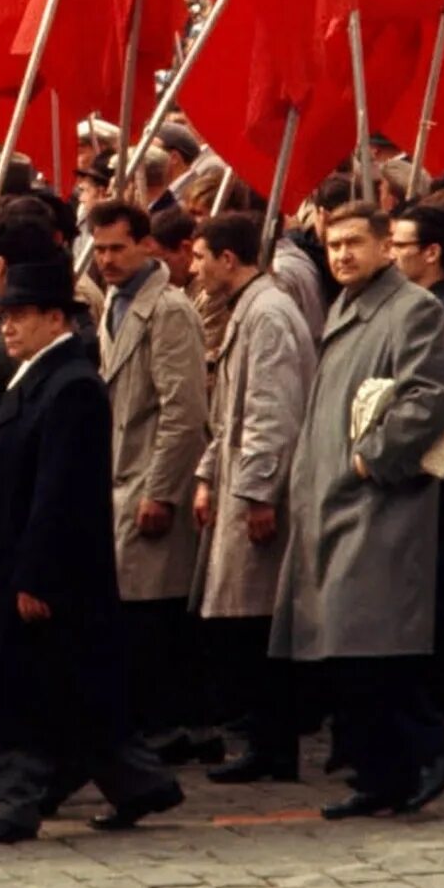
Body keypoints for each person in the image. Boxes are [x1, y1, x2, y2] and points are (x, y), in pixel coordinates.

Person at [0, 258, 184, 844]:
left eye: (22, 316)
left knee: (26, 690)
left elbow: (61, 492)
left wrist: (37, 575)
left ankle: (10, 802)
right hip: (12, 561)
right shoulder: (34, 375)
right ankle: (138, 783)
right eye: (5, 317)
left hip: (43, 570)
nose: (8, 327)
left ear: (56, 318)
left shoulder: (72, 385)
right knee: (75, 695)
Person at [271, 203, 444, 820]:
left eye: (355, 242)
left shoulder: (414, 310)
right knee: (347, 650)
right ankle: (383, 773)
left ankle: (423, 751)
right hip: (331, 499)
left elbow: (431, 397)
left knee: (369, 645)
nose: (342, 255)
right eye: (333, 245)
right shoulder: (348, 306)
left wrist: (371, 460)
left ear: (387, 246)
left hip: (379, 503)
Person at [187, 212, 315, 784]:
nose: (194, 268)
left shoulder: (267, 314)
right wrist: (209, 473)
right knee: (249, 624)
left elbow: (271, 410)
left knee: (262, 625)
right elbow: (228, 414)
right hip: (241, 478)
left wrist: (258, 492)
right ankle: (267, 739)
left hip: (264, 491)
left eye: (200, 257)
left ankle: (275, 744)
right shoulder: (252, 308)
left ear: (228, 259)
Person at [88, 201, 212, 756]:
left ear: (145, 244)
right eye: (100, 248)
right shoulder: (115, 300)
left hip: (149, 476)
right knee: (130, 609)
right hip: (117, 475)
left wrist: (162, 490)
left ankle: (170, 728)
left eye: (117, 248)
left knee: (152, 612)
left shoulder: (168, 310)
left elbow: (183, 410)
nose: (107, 259)